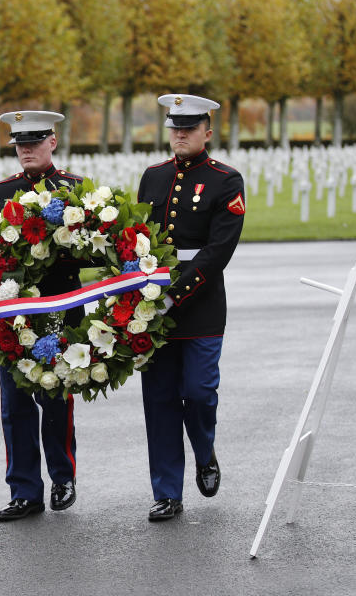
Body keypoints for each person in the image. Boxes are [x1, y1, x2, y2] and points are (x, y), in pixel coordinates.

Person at [136, 94, 245, 521]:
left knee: (199, 394)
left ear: (207, 132)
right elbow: (139, 241)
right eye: (174, 126)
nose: (180, 133)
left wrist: (173, 294)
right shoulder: (153, 176)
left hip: (200, 304)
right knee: (159, 400)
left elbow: (218, 250)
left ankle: (205, 450)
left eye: (189, 126)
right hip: (151, 306)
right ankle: (167, 492)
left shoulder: (226, 180)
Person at [0, 110, 84, 521]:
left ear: (52, 142)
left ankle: (63, 477)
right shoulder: (1, 192)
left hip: (61, 306)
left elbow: (93, 248)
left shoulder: (76, 190)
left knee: (56, 398)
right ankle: (24, 490)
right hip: (16, 312)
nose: (26, 149)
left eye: (34, 141)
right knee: (16, 405)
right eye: (20, 143)